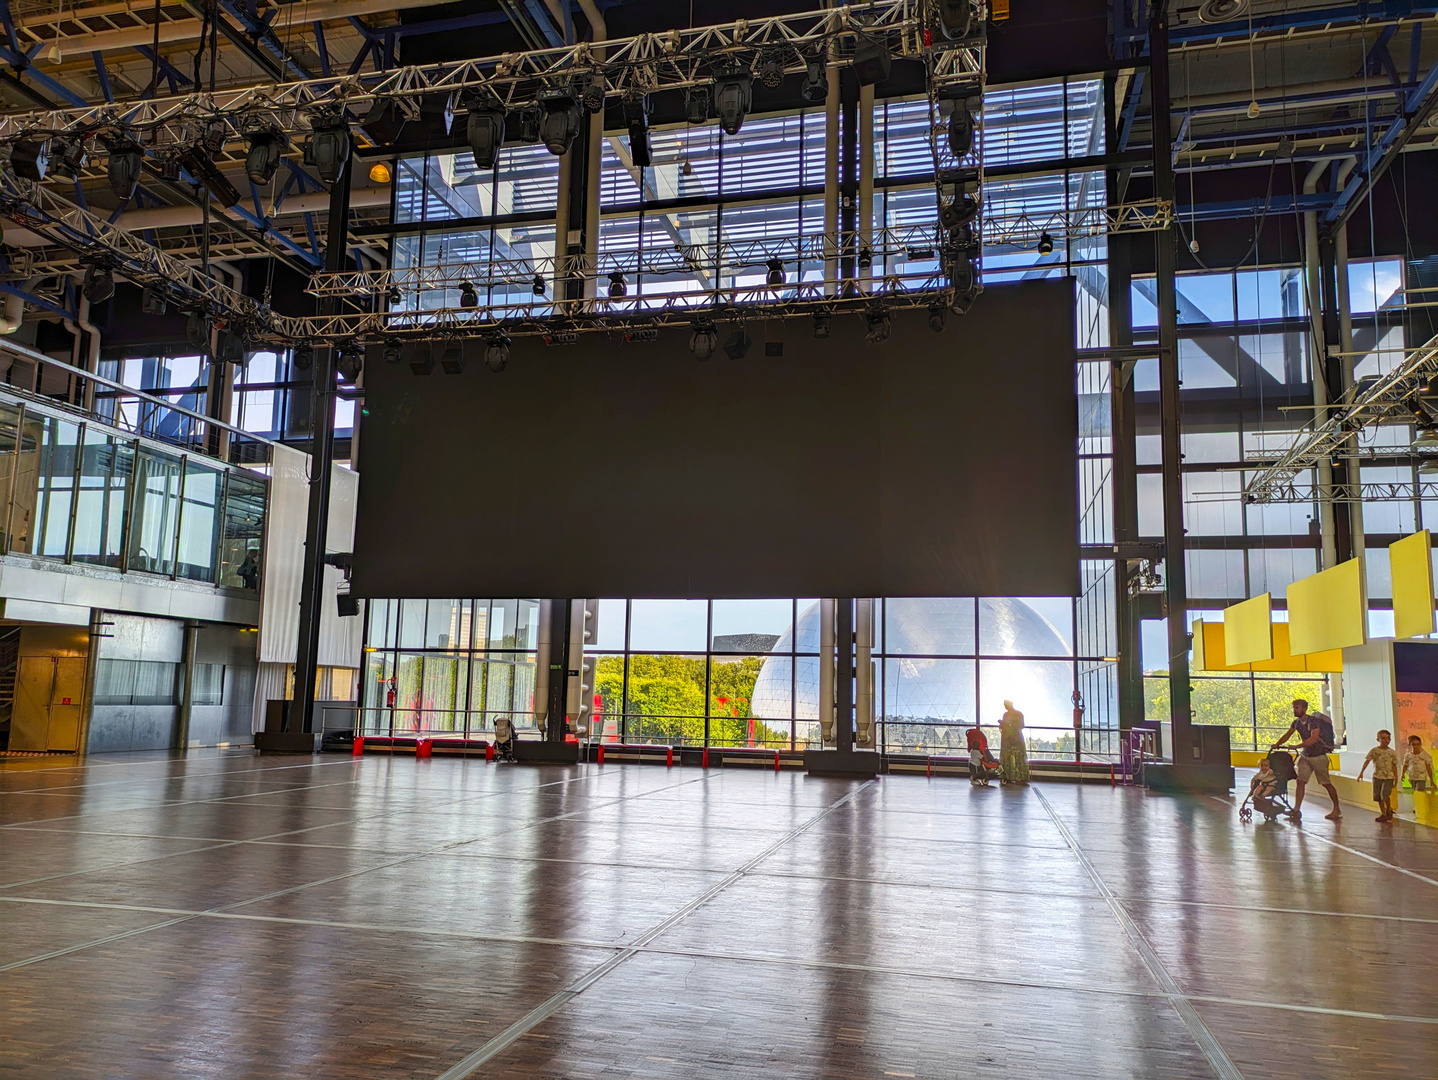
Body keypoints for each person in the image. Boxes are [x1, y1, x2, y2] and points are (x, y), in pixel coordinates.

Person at [1272, 698, 1341, 821]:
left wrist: (1297, 746)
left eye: (1297, 707)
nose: (1295, 710)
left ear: (1304, 709)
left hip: (1318, 756)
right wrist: (1277, 744)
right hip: (1305, 756)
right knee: (1300, 781)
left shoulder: (1314, 722)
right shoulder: (1296, 723)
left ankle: (1336, 808)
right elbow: (1288, 734)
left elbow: (1313, 738)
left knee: (1326, 783)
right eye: (1294, 707)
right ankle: (1296, 809)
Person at [1357, 729, 1400, 823]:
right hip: (1377, 776)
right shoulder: (1374, 751)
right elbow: (1367, 761)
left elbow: (1394, 765)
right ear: (1378, 739)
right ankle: (1383, 813)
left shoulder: (1392, 752)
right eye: (1383, 738)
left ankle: (1388, 808)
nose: (1386, 741)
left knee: (1384, 794)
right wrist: (1361, 772)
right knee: (1378, 796)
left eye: (1388, 738)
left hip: (1388, 776)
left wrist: (1396, 778)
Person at [999, 700, 1029, 785]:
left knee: (1012, 756)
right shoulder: (1018, 714)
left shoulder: (1009, 715)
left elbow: (1020, 725)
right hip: (1014, 738)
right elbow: (1021, 725)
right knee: (1017, 757)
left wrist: (1007, 725)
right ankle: (1019, 777)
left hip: (1010, 739)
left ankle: (1010, 776)